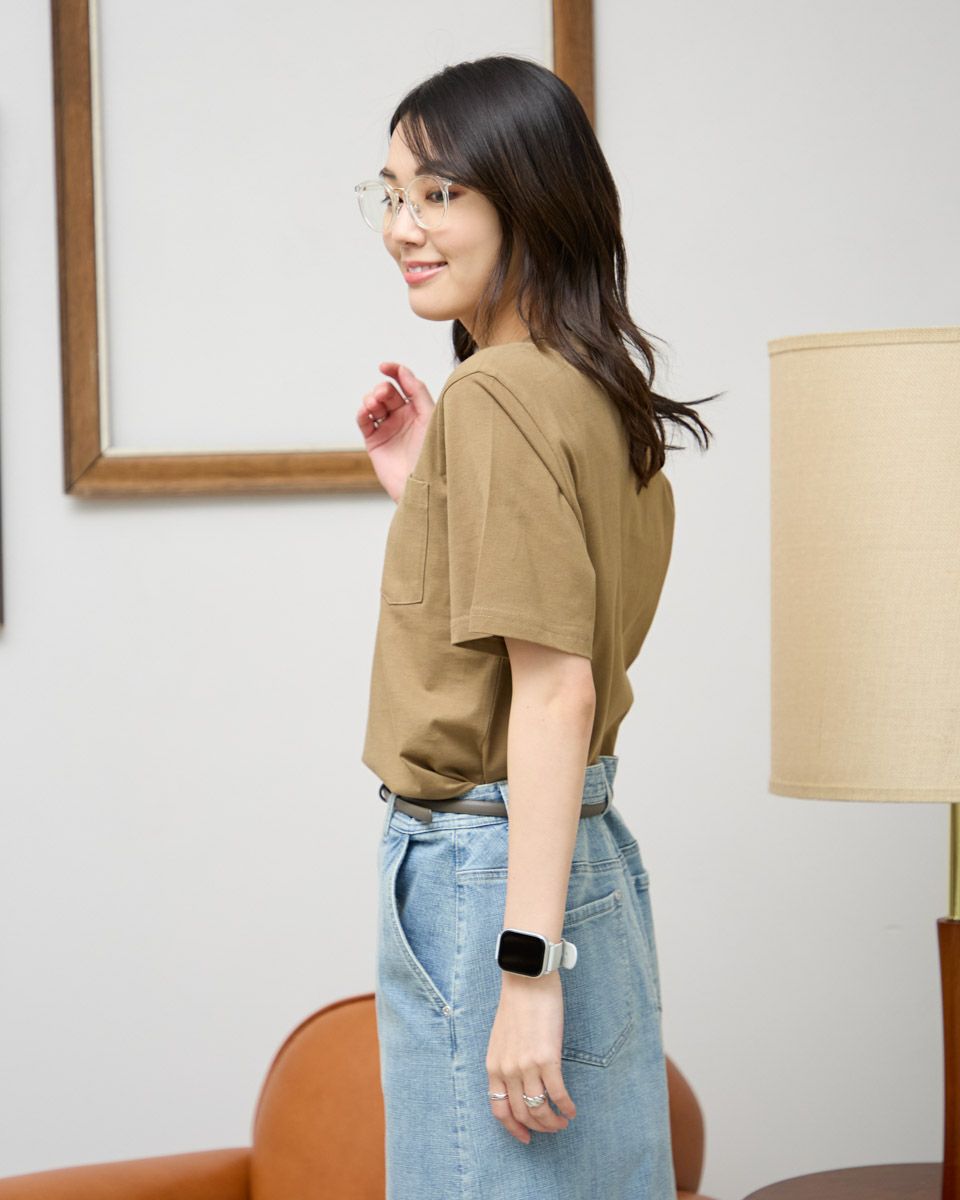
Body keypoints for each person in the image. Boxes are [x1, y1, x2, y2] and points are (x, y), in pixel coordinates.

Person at [354, 54, 720, 1199]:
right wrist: (435, 492)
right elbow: (562, 617)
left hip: (491, 870)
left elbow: (555, 687)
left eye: (440, 193)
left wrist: (524, 969)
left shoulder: (496, 394)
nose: (404, 227)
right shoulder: (595, 392)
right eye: (392, 195)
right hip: (582, 855)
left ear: (529, 198)